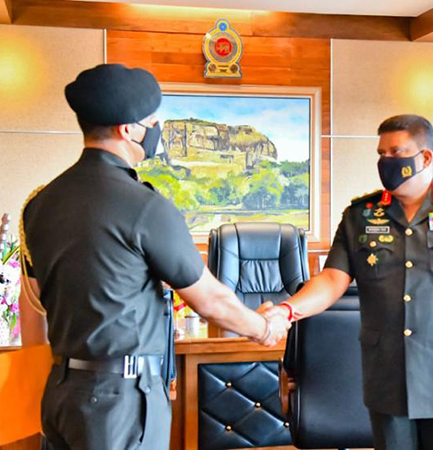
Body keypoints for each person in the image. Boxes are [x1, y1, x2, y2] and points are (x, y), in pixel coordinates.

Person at [18, 63, 291, 450]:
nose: (156, 129)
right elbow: (210, 301)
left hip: (59, 392)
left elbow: (33, 303)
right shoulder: (143, 206)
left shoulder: (40, 203)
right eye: (151, 121)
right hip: (120, 401)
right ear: (127, 129)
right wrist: (264, 328)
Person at [263, 115, 433, 449]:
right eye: (381, 154)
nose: (386, 161)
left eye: (396, 152)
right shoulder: (360, 216)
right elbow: (331, 279)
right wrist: (286, 311)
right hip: (389, 379)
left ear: (425, 157)